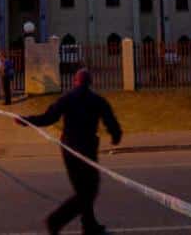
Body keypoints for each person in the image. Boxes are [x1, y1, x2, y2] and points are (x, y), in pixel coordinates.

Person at [17, 69, 121, 235]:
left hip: (69, 149)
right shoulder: (97, 100)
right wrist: (116, 136)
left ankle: (89, 225)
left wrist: (26, 120)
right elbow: (110, 120)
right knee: (88, 190)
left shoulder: (66, 99)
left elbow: (48, 118)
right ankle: (56, 220)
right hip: (87, 150)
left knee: (83, 189)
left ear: (75, 81)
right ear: (90, 82)